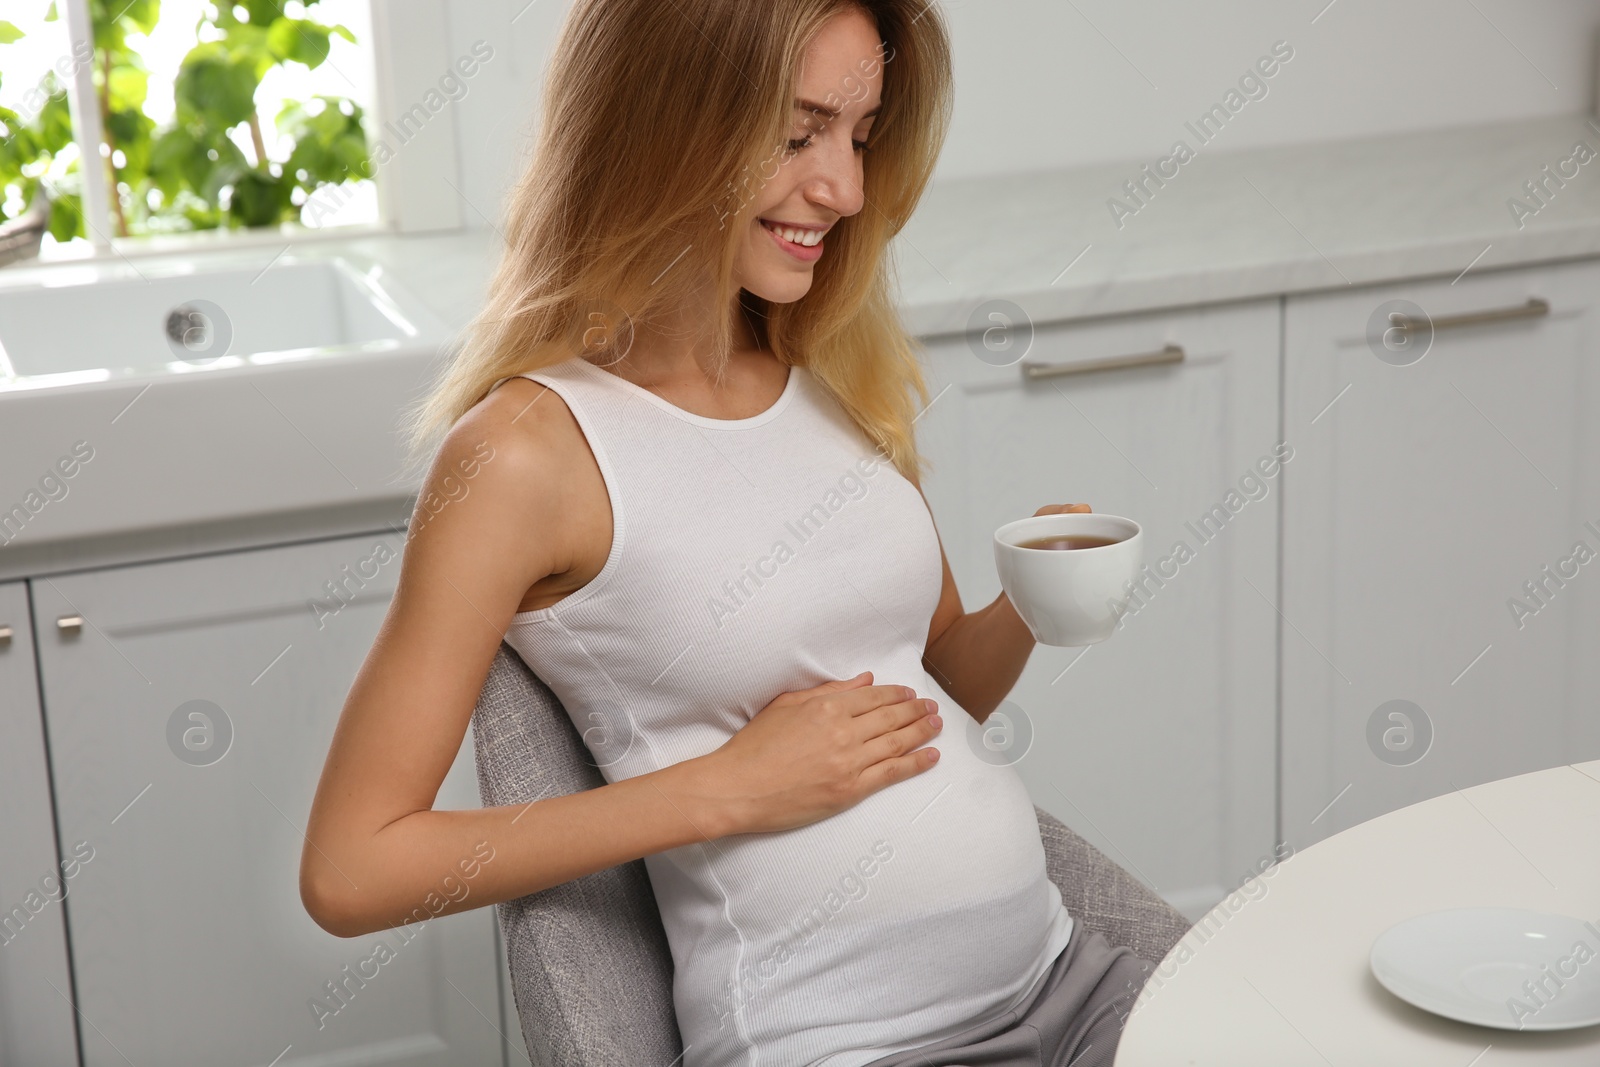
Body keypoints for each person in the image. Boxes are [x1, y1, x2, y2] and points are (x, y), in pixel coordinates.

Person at [299, 2, 1155, 1064]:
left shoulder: (827, 367)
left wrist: (1028, 603)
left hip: (1066, 982)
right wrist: (724, 787)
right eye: (797, 136)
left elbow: (928, 692)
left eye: (858, 135)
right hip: (847, 1043)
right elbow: (351, 867)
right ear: (661, 123)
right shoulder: (526, 453)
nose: (841, 187)